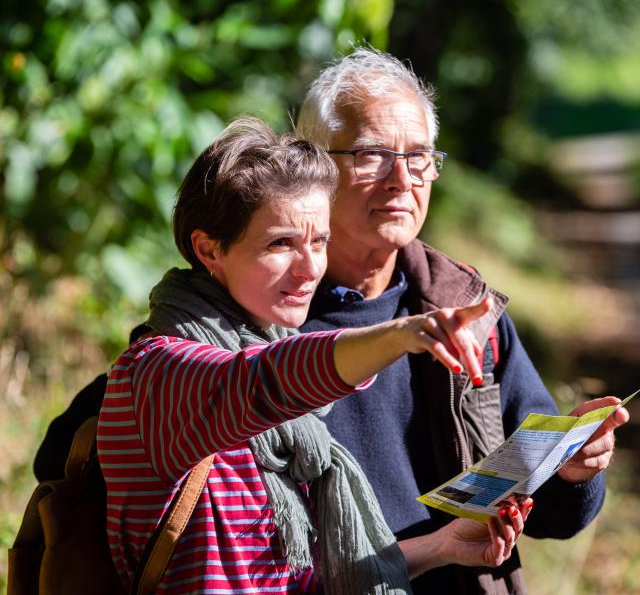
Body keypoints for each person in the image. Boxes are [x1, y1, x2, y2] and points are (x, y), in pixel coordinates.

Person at [97, 117, 531, 594]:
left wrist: (442, 545)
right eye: (280, 243)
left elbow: (299, 582)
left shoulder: (289, 415)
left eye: (319, 241)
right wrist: (401, 334)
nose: (309, 268)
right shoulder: (159, 370)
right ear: (209, 249)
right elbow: (266, 382)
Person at [295, 48, 630, 594]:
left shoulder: (463, 309)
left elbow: (553, 516)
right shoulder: (264, 323)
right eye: (372, 154)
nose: (401, 178)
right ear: (310, 163)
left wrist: (572, 467)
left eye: (419, 155)